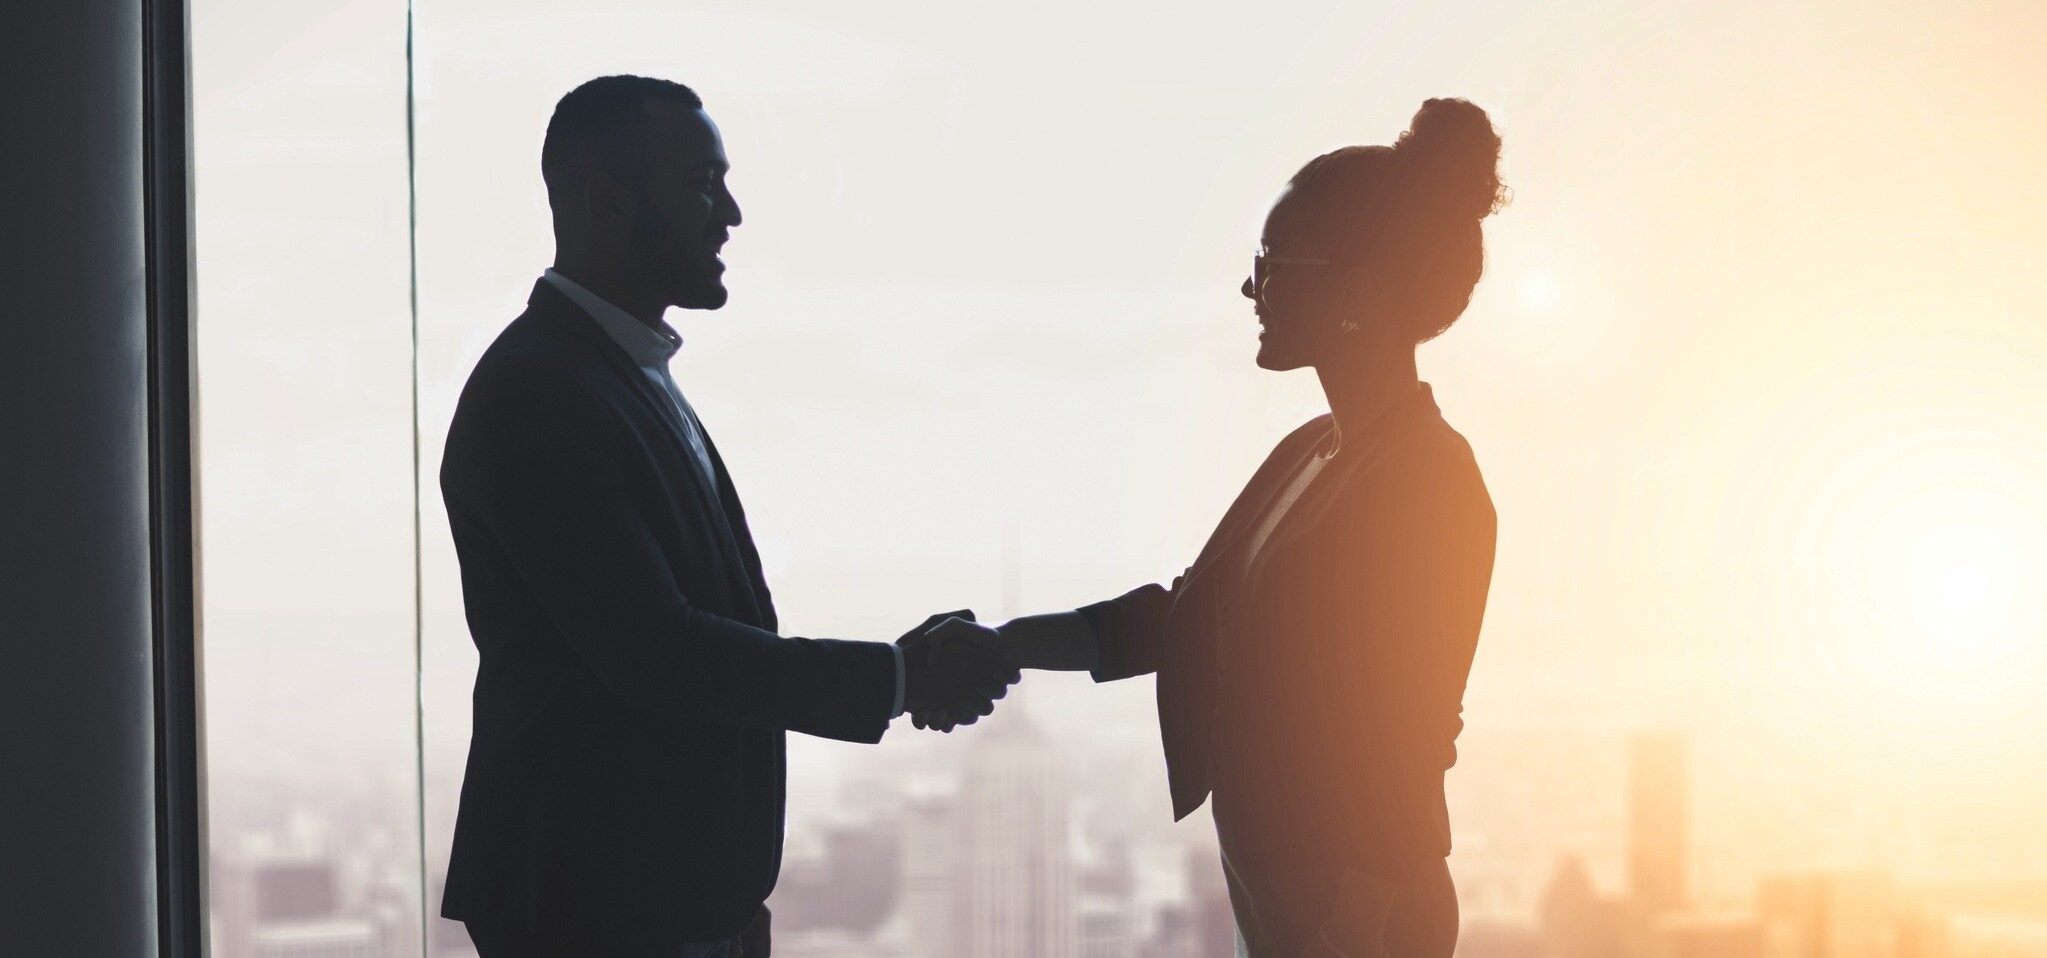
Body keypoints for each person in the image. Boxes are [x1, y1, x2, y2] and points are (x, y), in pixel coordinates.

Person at [437, 75, 1019, 958]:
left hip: (660, 903)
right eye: (703, 184)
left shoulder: (615, 373)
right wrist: (899, 677)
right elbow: (655, 652)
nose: (731, 214)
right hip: (594, 911)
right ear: (609, 201)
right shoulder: (539, 392)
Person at [917, 98, 1505, 958]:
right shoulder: (1311, 452)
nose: (1250, 286)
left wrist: (1352, 928)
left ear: (1354, 288)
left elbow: (1412, 733)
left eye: (1271, 262)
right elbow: (1186, 615)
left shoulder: (1429, 480)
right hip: (1286, 891)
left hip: (1355, 913)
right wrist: (1007, 645)